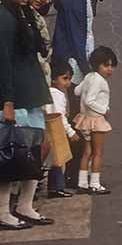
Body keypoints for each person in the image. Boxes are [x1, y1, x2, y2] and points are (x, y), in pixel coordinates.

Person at [0, 0, 53, 230]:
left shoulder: (22, 14)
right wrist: (8, 103)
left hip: (29, 94)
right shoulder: (3, 17)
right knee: (9, 156)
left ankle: (25, 204)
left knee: (32, 152)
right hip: (11, 98)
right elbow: (2, 63)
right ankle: (1, 211)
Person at [52, 0, 104, 84]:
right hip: (72, 58)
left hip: (79, 54)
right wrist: (85, 67)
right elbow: (75, 32)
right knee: (77, 102)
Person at [74, 46, 117, 195]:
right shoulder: (99, 81)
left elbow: (77, 91)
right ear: (97, 64)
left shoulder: (89, 77)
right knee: (98, 152)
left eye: (112, 66)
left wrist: (86, 87)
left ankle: (82, 182)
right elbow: (89, 100)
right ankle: (95, 184)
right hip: (96, 120)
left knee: (87, 151)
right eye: (106, 65)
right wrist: (104, 110)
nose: (110, 69)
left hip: (84, 119)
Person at [45, 59, 79, 199]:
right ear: (53, 79)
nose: (67, 82)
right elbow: (60, 116)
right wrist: (71, 132)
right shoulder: (57, 94)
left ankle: (52, 187)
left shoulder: (49, 92)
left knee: (52, 162)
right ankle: (57, 187)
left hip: (48, 130)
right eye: (64, 78)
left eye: (69, 79)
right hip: (56, 131)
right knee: (59, 161)